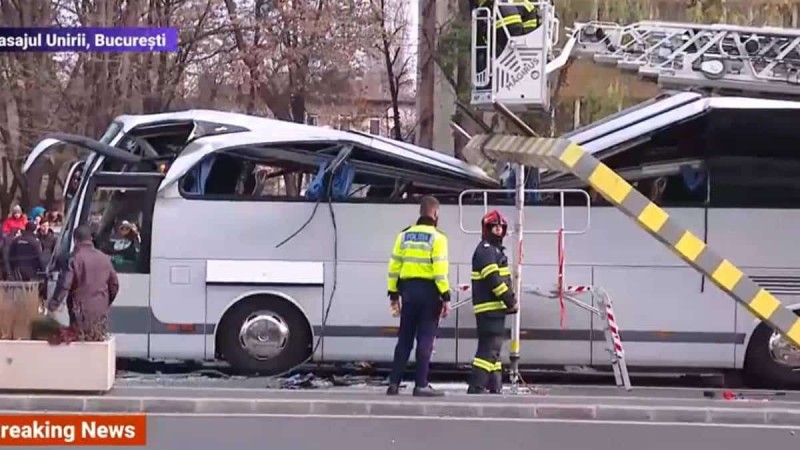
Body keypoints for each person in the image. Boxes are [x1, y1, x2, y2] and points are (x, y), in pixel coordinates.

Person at [385, 195, 451, 397]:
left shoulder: (403, 235)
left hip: (408, 292)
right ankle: (421, 384)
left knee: (404, 338)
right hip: (430, 292)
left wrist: (393, 293)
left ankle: (394, 383)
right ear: (435, 213)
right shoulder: (438, 238)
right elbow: (440, 270)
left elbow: (394, 265)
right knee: (425, 338)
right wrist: (446, 296)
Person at [467, 210, 518, 394]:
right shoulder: (486, 250)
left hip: (494, 310)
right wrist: (510, 301)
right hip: (490, 310)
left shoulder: (492, 250)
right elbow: (494, 280)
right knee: (488, 351)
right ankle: (476, 387)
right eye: (494, 226)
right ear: (486, 229)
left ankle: (494, 387)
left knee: (493, 353)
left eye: (501, 227)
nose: (498, 229)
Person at [47, 224, 119, 342]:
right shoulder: (105, 258)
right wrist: (105, 301)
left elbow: (64, 284)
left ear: (75, 240)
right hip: (101, 310)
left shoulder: (74, 259)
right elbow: (114, 285)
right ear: (90, 239)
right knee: (97, 340)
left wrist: (53, 304)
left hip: (80, 311)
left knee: (81, 344)